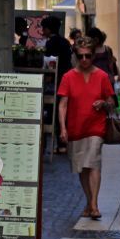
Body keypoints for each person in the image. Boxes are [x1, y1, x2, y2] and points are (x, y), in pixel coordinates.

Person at [57, 39, 115, 220]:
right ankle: (89, 202)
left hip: (96, 127)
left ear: (93, 56)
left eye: (87, 56)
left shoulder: (102, 76)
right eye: (80, 56)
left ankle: (95, 205)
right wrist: (63, 128)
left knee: (94, 163)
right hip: (76, 128)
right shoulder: (68, 77)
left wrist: (104, 103)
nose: (84, 60)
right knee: (82, 168)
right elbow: (63, 104)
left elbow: (112, 101)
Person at [43, 16, 74, 152]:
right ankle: (64, 143)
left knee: (55, 110)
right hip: (67, 79)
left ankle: (59, 143)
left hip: (55, 80)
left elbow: (49, 64)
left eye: (44, 28)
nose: (43, 31)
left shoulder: (50, 43)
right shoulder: (65, 42)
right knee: (65, 109)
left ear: (49, 29)